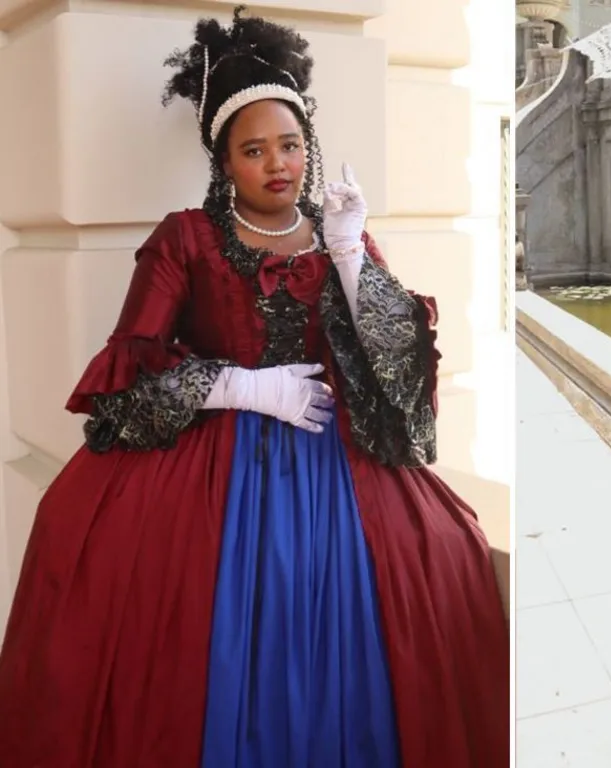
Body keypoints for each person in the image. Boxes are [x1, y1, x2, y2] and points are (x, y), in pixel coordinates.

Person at [0, 7, 509, 767]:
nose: (279, 164)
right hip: (211, 471)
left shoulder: (342, 230)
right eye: (254, 149)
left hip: (340, 466)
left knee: (443, 553)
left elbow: (402, 369)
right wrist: (239, 385)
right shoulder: (187, 239)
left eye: (292, 144)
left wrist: (348, 258)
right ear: (223, 160)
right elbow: (124, 382)